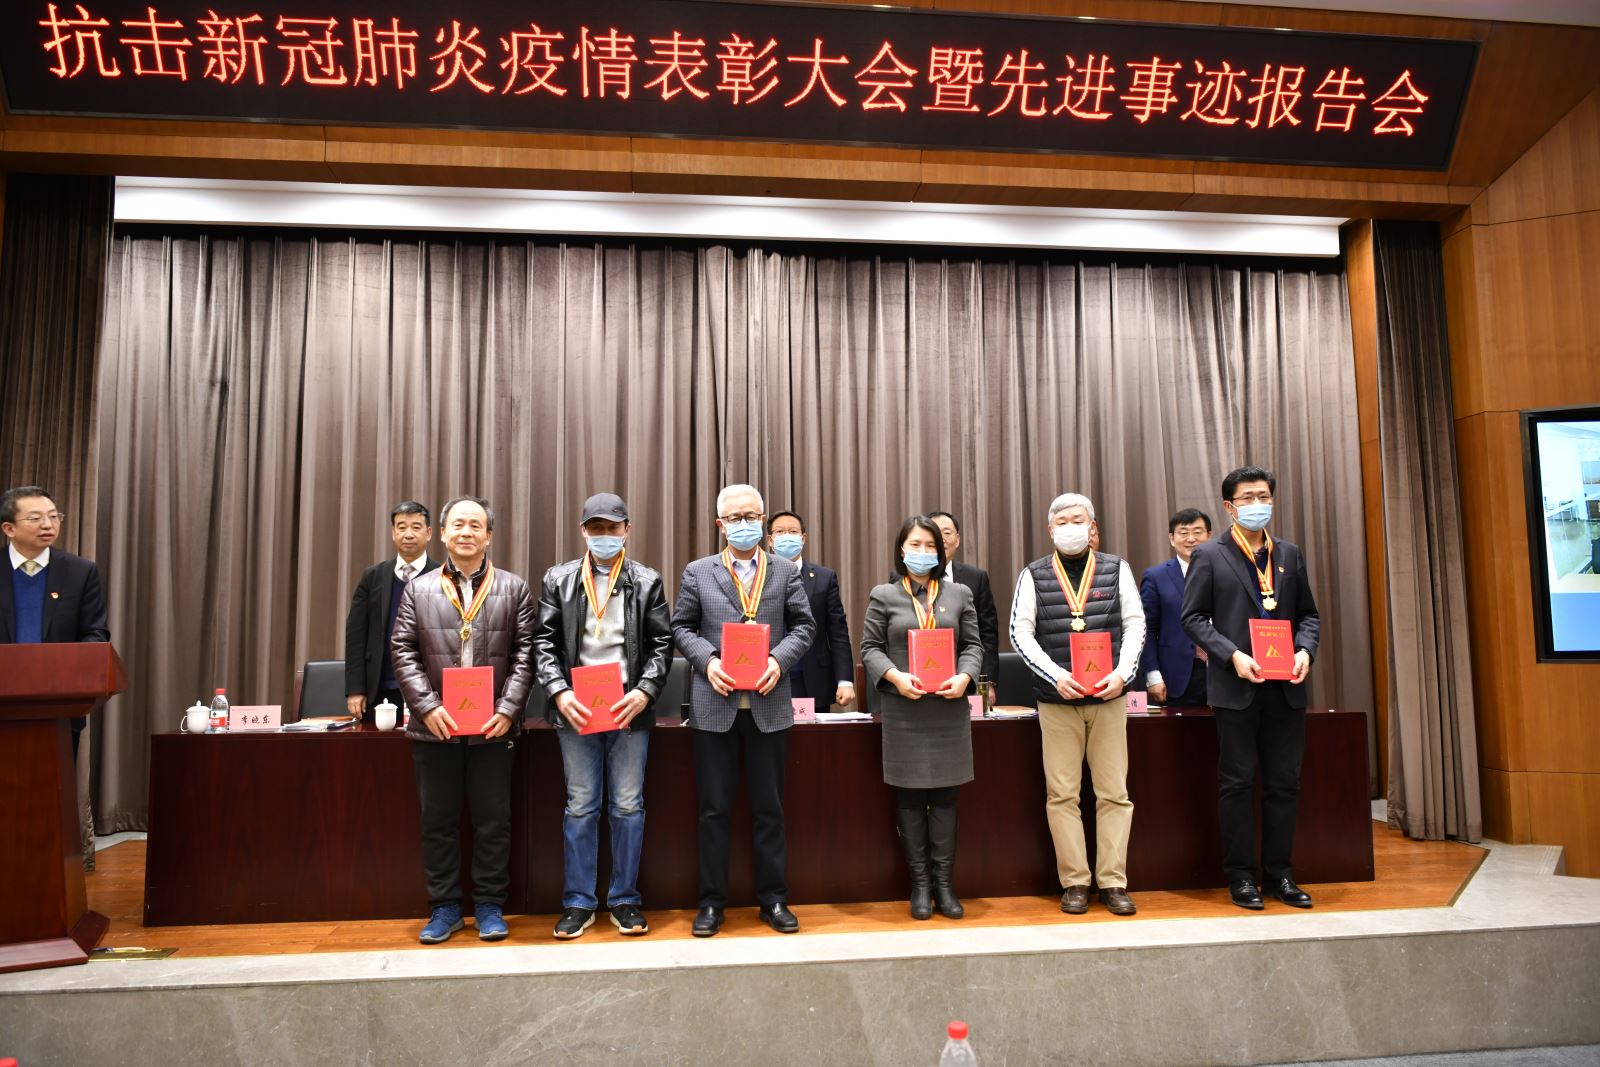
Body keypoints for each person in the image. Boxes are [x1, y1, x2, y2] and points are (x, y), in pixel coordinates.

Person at [670, 483, 816, 937]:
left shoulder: (784, 572)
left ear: (763, 520)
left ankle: (774, 899)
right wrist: (709, 662)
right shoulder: (698, 572)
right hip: (714, 705)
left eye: (752, 516)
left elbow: (804, 626)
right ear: (720, 525)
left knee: (769, 810)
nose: (744, 524)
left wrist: (778, 660)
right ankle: (712, 903)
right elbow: (682, 627)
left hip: (769, 706)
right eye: (735, 518)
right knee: (713, 810)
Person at [391, 496, 536, 944]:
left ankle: (490, 906)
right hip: (435, 729)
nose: (466, 532)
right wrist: (427, 707)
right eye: (458, 524)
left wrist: (508, 709)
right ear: (443, 534)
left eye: (476, 525)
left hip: (494, 728)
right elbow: (403, 651)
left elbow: (526, 655)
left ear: (488, 536)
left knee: (493, 822)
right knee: (437, 823)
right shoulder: (419, 589)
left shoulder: (513, 588)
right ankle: (445, 908)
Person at [533, 493, 673, 940]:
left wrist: (645, 692)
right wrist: (559, 693)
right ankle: (578, 902)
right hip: (576, 708)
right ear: (583, 531)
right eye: (597, 528)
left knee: (628, 805)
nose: (605, 535)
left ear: (627, 530)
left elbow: (662, 645)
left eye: (613, 528)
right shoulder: (558, 579)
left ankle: (625, 899)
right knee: (581, 805)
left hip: (628, 706)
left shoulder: (647, 580)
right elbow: (543, 642)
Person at [1181, 466, 1320, 911]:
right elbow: (1192, 618)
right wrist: (1232, 656)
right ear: (1229, 506)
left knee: (1284, 784)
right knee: (1237, 784)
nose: (1257, 504)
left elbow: (1308, 615)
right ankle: (1241, 877)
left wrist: (1305, 650)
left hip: (1286, 687)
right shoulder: (1210, 554)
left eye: (1264, 496)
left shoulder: (1290, 553)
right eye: (1247, 498)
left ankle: (1280, 875)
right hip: (1236, 686)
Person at [1009, 493, 1146, 917]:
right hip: (1057, 701)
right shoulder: (1033, 574)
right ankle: (1075, 882)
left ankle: (1113, 881)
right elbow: (1020, 633)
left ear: (1093, 527)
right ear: (1051, 530)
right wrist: (1056, 676)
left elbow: (1135, 623)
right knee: (1062, 795)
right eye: (1062, 522)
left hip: (1109, 697)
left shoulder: (1117, 567)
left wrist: (1122, 674)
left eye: (1078, 520)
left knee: (1114, 793)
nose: (1071, 528)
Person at [860, 515, 983, 920]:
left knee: (946, 798)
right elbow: (870, 647)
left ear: (941, 551)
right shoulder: (884, 595)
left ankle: (944, 885)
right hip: (905, 709)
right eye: (915, 544)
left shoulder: (960, 593)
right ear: (901, 549)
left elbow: (973, 646)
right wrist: (895, 677)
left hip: (948, 708)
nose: (923, 552)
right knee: (910, 798)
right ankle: (920, 886)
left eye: (930, 545)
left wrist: (965, 676)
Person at [0, 485, 110, 758]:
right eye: (35, 518)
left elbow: (95, 632)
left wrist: (70, 669)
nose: (48, 525)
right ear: (9, 528)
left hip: (59, 707)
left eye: (53, 516)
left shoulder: (80, 571)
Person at [344, 501, 439, 723]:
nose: (408, 534)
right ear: (393, 533)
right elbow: (356, 635)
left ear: (429, 533)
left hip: (429, 689)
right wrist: (355, 689)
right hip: (380, 687)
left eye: (416, 527)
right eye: (401, 527)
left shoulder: (442, 575)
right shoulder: (373, 577)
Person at [767, 510, 855, 710]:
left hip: (813, 678)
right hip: (768, 677)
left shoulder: (825, 577)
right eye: (780, 532)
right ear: (770, 540)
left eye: (793, 531)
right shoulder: (756, 576)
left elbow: (838, 632)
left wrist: (845, 681)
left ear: (803, 538)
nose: (787, 536)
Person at [1140, 508, 1213, 707]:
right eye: (1184, 532)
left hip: (1222, 671)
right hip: (1176, 676)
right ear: (1172, 538)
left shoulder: (1225, 571)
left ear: (1209, 536)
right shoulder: (1156, 577)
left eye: (1197, 532)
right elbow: (1147, 629)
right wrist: (1153, 675)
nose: (1191, 539)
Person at [927, 512, 1000, 683]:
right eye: (935, 533)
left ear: (957, 540)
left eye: (947, 533)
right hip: (917, 673)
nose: (942, 539)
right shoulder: (903, 579)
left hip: (966, 674)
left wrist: (987, 682)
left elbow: (987, 634)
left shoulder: (976, 578)